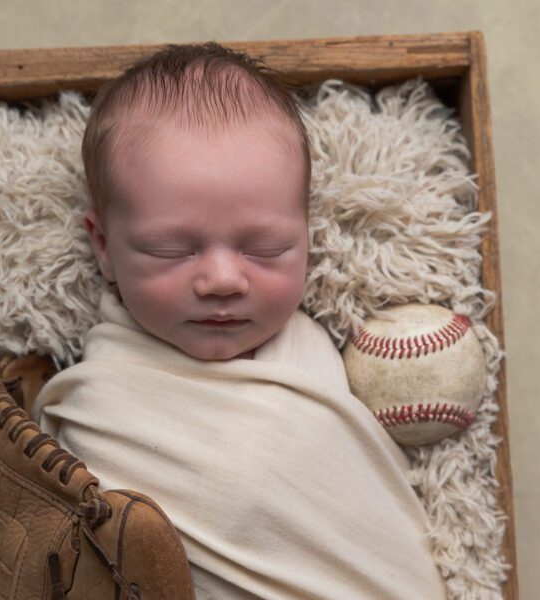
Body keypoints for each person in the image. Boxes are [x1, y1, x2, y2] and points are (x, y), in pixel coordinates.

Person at [32, 42, 447, 599]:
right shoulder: (97, 407)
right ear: (104, 246)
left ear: (308, 236)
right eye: (171, 250)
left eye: (265, 247)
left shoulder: (324, 352)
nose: (223, 279)